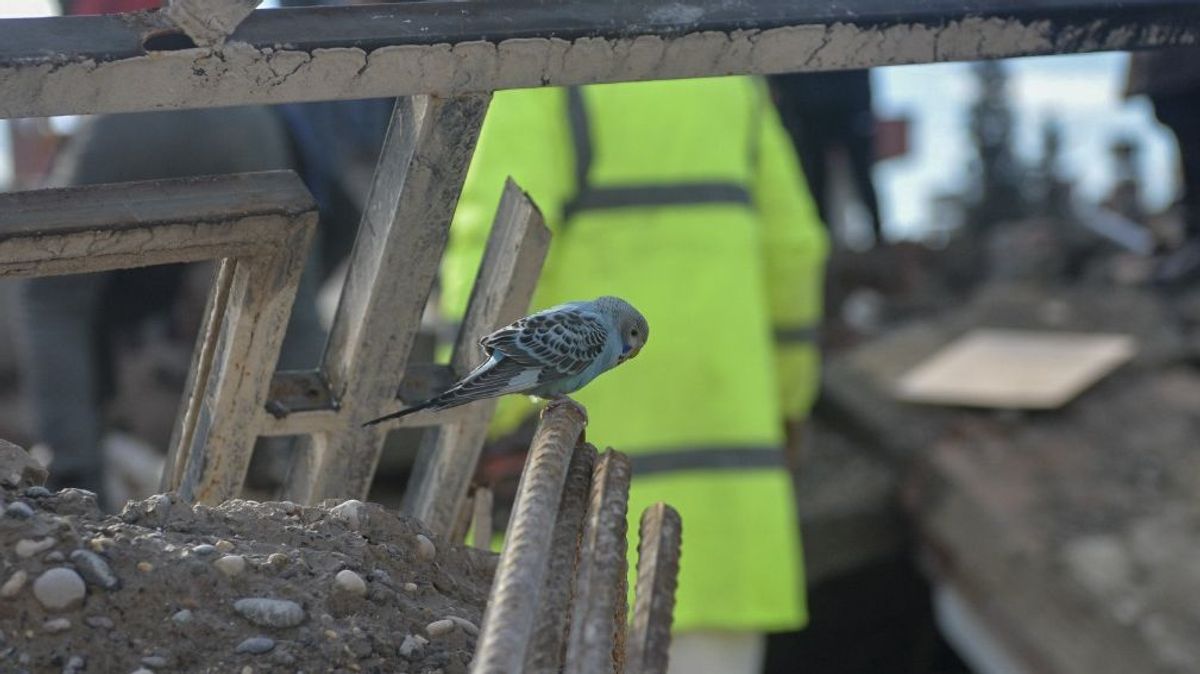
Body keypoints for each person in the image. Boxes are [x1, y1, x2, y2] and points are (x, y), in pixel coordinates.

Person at [440, 77, 828, 673]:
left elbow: (496, 261)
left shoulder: (539, 72)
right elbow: (795, 251)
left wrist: (484, 419)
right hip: (730, 526)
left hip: (571, 526)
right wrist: (789, 404)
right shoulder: (730, 81)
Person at [769, 69, 883, 243]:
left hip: (843, 105)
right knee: (815, 179)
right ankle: (822, 238)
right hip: (808, 109)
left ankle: (878, 236)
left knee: (859, 176)